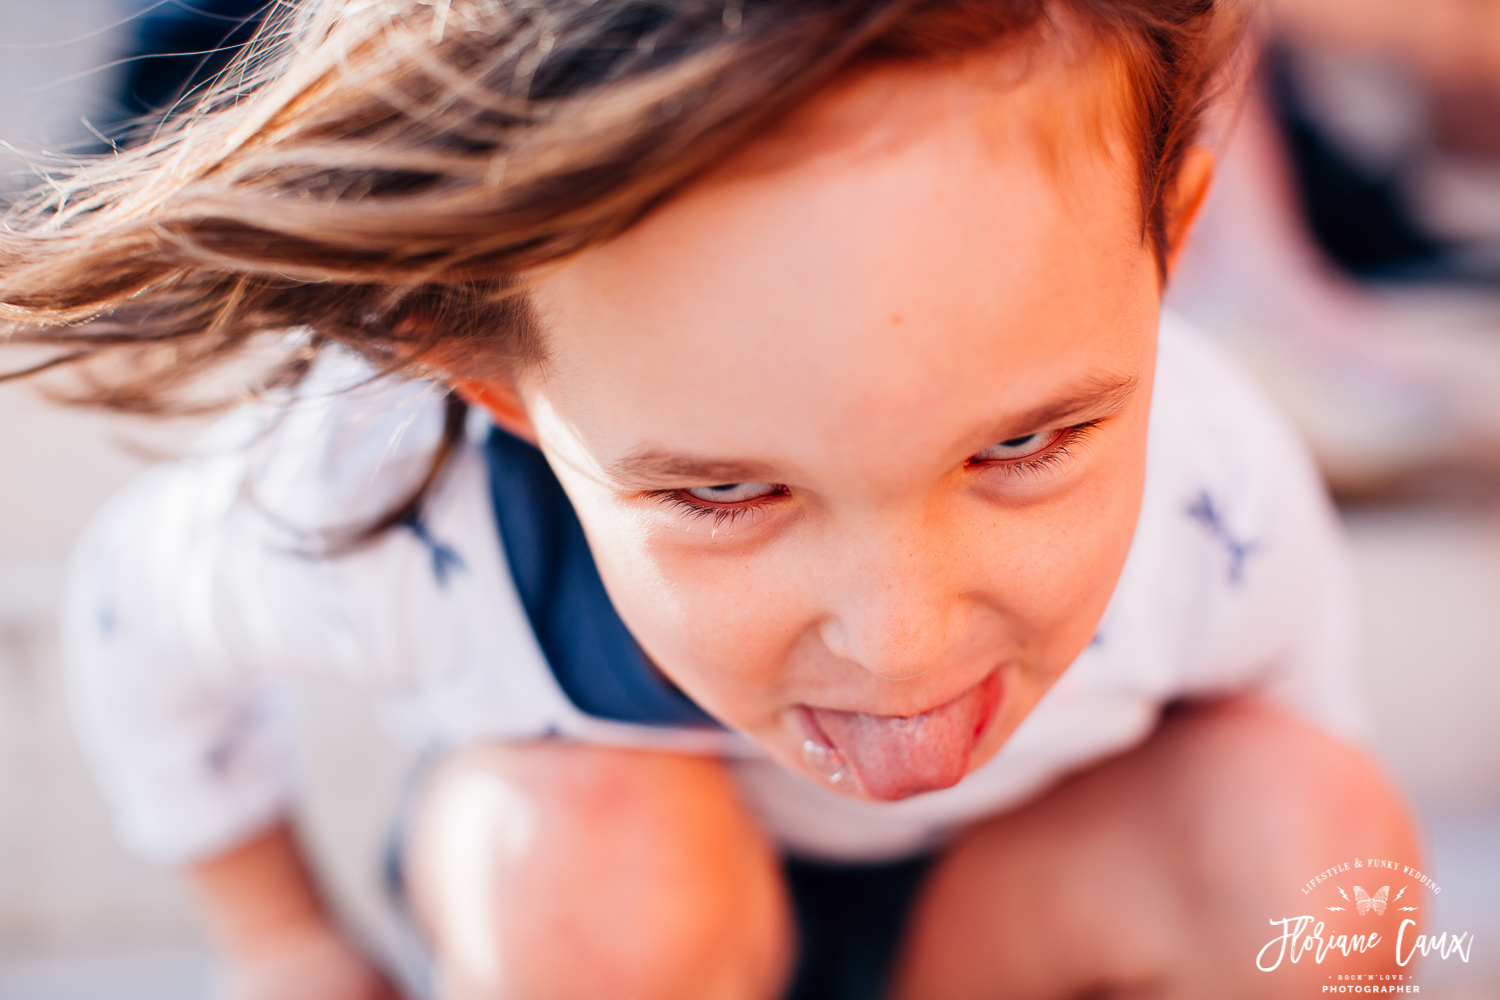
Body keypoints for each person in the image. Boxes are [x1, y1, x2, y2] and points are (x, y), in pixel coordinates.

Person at [0, 2, 1419, 998]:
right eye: (729, 491)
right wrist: (281, 942)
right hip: (613, 929)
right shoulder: (387, 494)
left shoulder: (1215, 488)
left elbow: (1302, 754)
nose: (902, 644)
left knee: (1324, 860)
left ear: (1162, 248)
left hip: (994, 916)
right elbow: (137, 615)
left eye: (1026, 445)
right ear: (501, 382)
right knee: (584, 871)